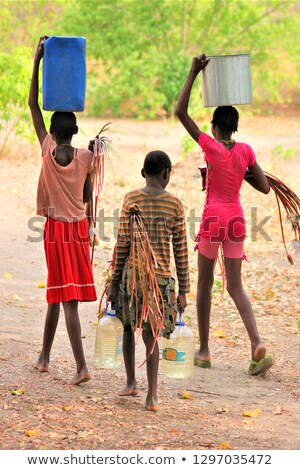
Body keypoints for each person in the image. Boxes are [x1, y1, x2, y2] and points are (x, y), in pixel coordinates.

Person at [175, 53, 274, 376]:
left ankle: (203, 350)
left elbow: (180, 112)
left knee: (204, 284)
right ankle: (257, 344)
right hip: (237, 219)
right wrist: (240, 171)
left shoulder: (211, 147)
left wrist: (193, 73)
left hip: (213, 218)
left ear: (216, 127)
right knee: (235, 286)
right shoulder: (245, 151)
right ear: (236, 127)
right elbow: (264, 188)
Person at [28, 36, 97, 385]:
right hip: (78, 229)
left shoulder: (46, 149)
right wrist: (92, 163)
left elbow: (32, 106)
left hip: (56, 230)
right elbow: (86, 197)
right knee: (58, 294)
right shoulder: (86, 157)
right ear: (76, 130)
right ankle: (43, 357)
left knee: (66, 298)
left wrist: (38, 60)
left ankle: (81, 366)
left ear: (52, 132)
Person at [108, 150, 190, 411]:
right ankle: (152, 396)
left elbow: (122, 244)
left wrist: (113, 281)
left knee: (128, 328)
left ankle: (131, 381)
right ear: (167, 174)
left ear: (143, 173)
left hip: (133, 277)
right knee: (153, 336)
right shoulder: (175, 204)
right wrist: (184, 290)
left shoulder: (131, 199)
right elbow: (181, 250)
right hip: (163, 281)